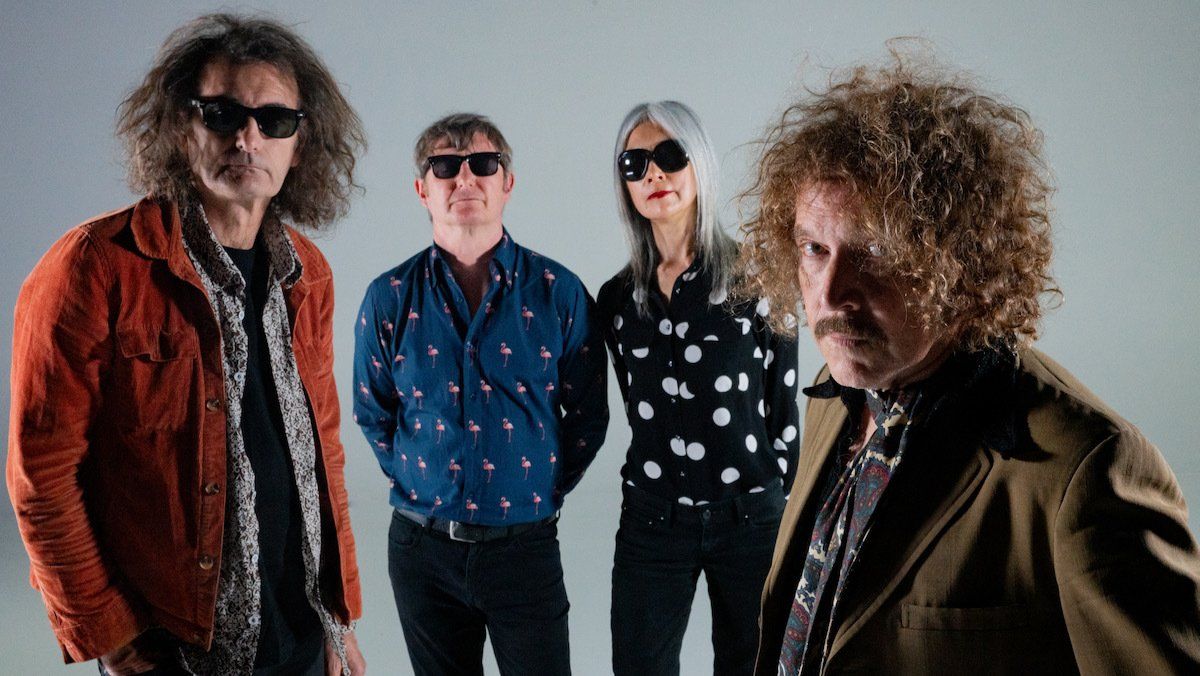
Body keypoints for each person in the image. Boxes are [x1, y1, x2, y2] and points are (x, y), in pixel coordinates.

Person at [737, 51, 1200, 675]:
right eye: (815, 248)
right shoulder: (834, 393)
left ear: (959, 263)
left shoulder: (1086, 470)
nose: (830, 292)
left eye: (875, 252)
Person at [7, 14, 367, 675]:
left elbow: (323, 451)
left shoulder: (308, 272)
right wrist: (112, 638)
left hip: (301, 640)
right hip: (176, 649)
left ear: (299, 144)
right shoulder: (94, 266)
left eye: (274, 121)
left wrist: (337, 620)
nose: (248, 138)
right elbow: (42, 476)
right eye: (222, 114)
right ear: (181, 127)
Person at [352, 112, 608, 676]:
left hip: (524, 550)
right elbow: (372, 411)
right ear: (422, 189)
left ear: (507, 183)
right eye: (445, 166)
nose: (464, 178)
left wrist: (536, 486)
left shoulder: (559, 293)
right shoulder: (388, 297)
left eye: (483, 164)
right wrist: (423, 479)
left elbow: (589, 416)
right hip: (422, 554)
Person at [595, 101, 799, 675]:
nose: (653, 174)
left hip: (750, 519)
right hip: (652, 522)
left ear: (698, 163)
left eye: (669, 155)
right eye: (635, 164)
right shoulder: (616, 301)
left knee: (755, 666)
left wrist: (775, 509)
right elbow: (636, 410)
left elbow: (784, 412)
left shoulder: (759, 279)